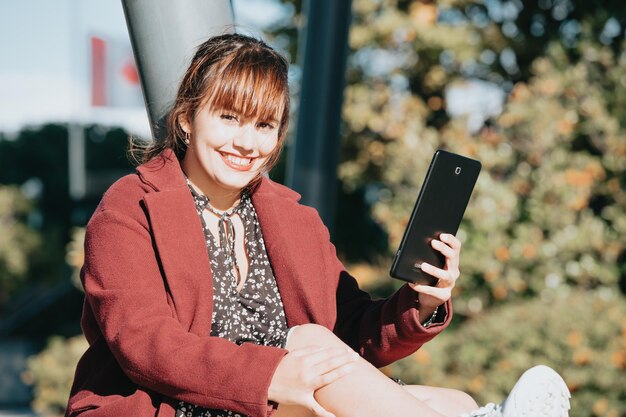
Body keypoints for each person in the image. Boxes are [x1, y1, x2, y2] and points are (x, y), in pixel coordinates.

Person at [65, 33, 570, 417]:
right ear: (186, 118)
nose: (246, 142)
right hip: (177, 408)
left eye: (264, 125)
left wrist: (423, 301)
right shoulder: (130, 208)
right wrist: (271, 375)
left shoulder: (291, 219)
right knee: (306, 343)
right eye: (228, 118)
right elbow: (146, 346)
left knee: (454, 402)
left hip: (285, 404)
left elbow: (353, 332)